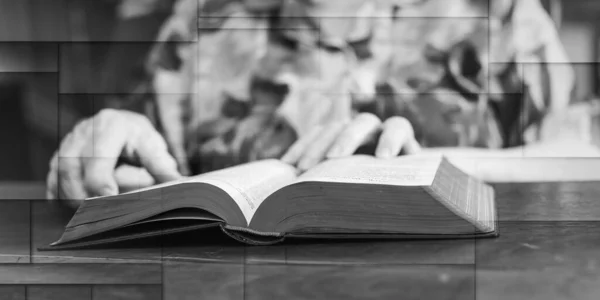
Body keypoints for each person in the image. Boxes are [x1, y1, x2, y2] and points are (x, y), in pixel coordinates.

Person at [47, 0, 598, 206]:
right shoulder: (204, 21)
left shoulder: (502, 19)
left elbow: (579, 158)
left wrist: (431, 167)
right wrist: (109, 135)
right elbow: (149, 169)